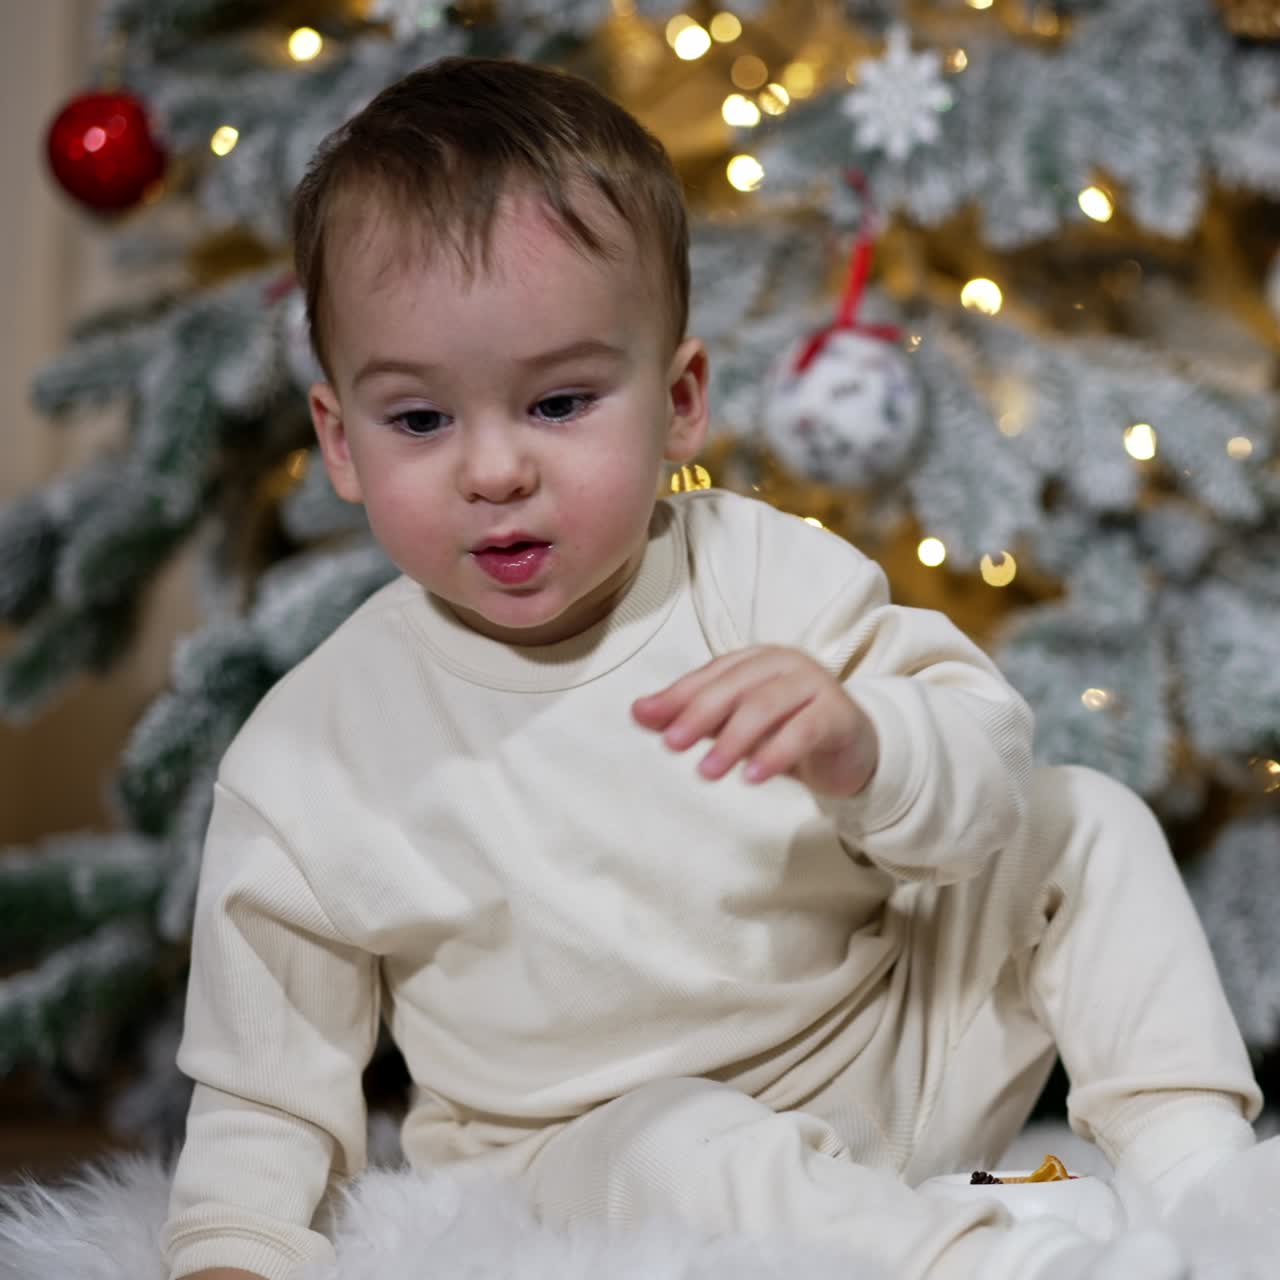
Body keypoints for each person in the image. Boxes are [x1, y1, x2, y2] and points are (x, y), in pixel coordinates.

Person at [160, 56, 1273, 1280]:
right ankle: (981, 1263)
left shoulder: (759, 579)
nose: (492, 472)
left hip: (883, 1070)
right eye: (420, 419)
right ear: (340, 440)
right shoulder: (316, 750)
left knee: (1081, 822)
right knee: (671, 1132)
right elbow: (263, 1092)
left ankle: (1200, 1188)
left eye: (560, 401)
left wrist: (869, 744)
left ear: (678, 399)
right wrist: (234, 1249)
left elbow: (988, 780)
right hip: (593, 1162)